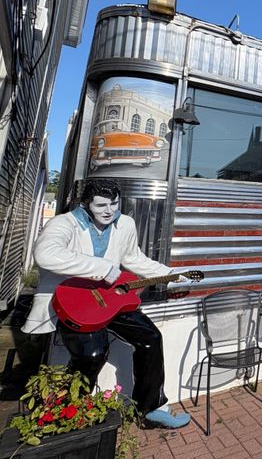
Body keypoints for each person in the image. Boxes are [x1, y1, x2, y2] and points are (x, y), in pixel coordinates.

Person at [22, 178, 190, 429]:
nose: (109, 210)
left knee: (151, 338)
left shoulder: (125, 224)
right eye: (101, 205)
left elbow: (135, 259)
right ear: (86, 203)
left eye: (114, 203)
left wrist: (171, 274)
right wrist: (101, 268)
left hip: (110, 300)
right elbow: (46, 254)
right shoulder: (64, 223)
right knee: (92, 353)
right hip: (71, 303)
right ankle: (65, 413)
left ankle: (151, 406)